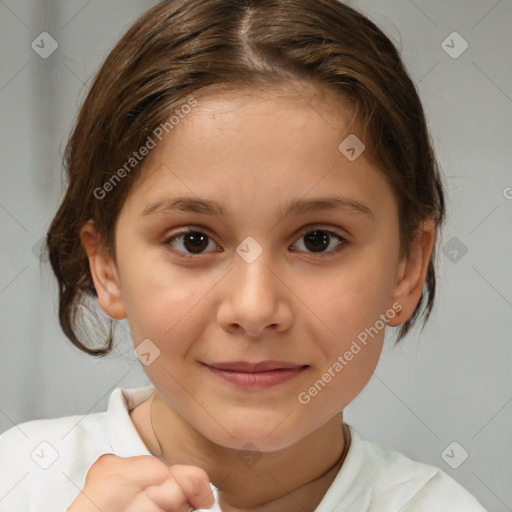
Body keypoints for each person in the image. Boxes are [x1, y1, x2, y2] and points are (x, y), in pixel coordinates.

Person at [0, 0, 488, 510]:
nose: (255, 311)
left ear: (407, 269)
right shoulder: (17, 480)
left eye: (318, 240)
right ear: (106, 266)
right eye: (193, 240)